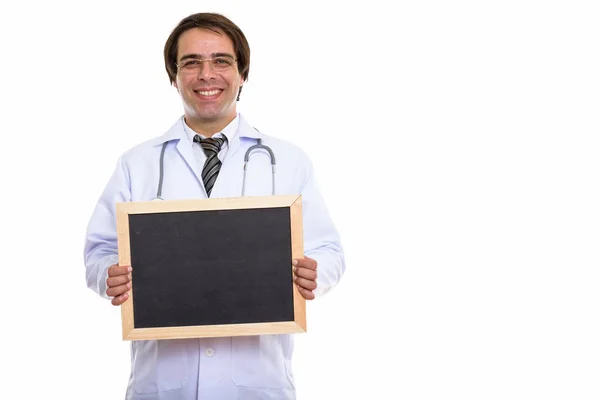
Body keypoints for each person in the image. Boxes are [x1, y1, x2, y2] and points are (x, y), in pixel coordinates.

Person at [83, 12, 345, 400]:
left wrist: (315, 274)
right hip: (163, 384)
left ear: (243, 74)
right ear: (173, 76)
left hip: (257, 384)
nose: (207, 74)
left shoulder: (288, 160)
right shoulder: (136, 164)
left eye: (221, 60)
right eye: (191, 62)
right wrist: (108, 275)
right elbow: (100, 251)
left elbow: (329, 251)